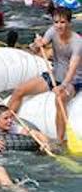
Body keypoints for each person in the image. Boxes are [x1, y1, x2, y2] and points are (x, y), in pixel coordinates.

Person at [8, 8, 82, 143]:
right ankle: (4, 124)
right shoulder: (52, 31)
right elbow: (39, 46)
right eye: (56, 22)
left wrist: (63, 86)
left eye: (63, 22)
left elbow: (72, 68)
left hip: (73, 80)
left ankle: (60, 141)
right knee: (19, 90)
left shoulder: (77, 43)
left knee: (60, 99)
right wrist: (36, 45)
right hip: (54, 75)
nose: (59, 26)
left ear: (69, 23)